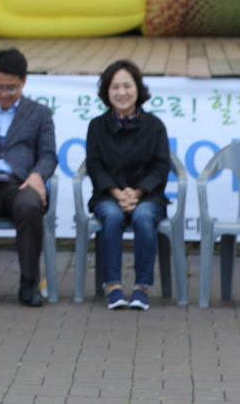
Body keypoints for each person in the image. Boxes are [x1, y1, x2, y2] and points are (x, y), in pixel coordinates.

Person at [0, 48, 57, 308]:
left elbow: (48, 154)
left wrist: (39, 175)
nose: (3, 94)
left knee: (30, 206)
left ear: (23, 81)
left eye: (11, 89)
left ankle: (29, 284)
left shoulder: (39, 113)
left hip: (23, 183)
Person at [85, 59, 170, 312]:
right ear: (106, 92)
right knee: (111, 216)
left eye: (127, 86)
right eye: (114, 87)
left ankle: (141, 288)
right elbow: (95, 165)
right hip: (107, 195)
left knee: (144, 217)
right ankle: (112, 287)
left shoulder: (154, 126)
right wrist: (116, 193)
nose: (121, 93)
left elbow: (161, 166)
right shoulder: (97, 126)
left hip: (148, 196)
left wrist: (138, 192)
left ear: (138, 89)